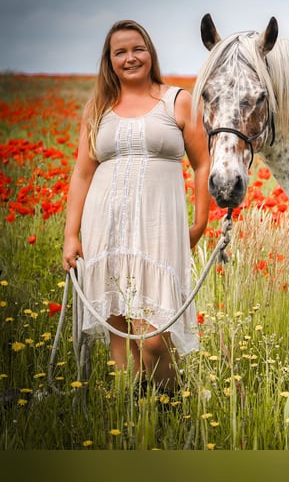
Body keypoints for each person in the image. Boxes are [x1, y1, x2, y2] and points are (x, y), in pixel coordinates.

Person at [62, 19, 210, 393]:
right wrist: (70, 234)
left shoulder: (177, 100)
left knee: (154, 339)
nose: (131, 58)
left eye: (137, 49)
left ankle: (169, 404)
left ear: (150, 53)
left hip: (159, 230)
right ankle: (132, 416)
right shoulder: (98, 108)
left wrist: (200, 222)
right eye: (120, 52)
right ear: (109, 61)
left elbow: (202, 163)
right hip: (106, 228)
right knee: (120, 333)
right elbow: (82, 173)